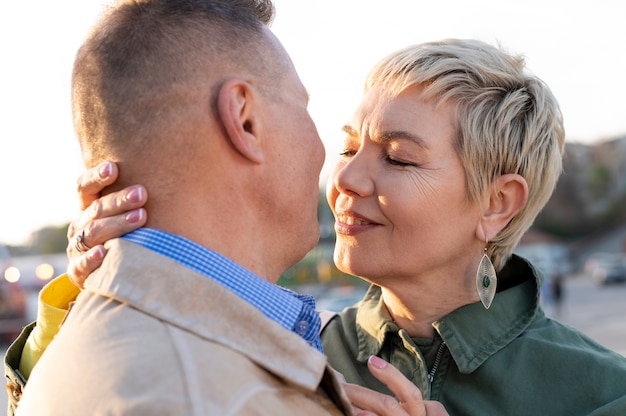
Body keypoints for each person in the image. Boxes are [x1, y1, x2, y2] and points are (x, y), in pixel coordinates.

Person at [8, 37, 626, 414]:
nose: (347, 180)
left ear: (498, 204)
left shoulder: (600, 390)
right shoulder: (283, 348)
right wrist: (82, 294)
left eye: (399, 157)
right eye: (350, 146)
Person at [7, 1, 447, 415]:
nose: (331, 164)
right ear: (245, 120)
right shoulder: (220, 396)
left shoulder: (81, 349)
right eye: (303, 108)